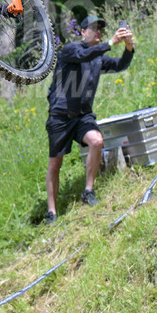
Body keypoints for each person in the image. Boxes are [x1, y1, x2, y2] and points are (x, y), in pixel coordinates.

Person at [44, 15, 134, 223]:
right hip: (60, 116)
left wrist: (128, 47)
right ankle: (52, 212)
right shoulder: (70, 51)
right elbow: (84, 55)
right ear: (83, 32)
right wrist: (110, 43)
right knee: (55, 163)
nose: (98, 32)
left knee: (97, 141)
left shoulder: (98, 58)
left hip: (83, 115)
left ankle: (88, 191)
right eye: (93, 28)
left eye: (101, 29)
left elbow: (120, 65)